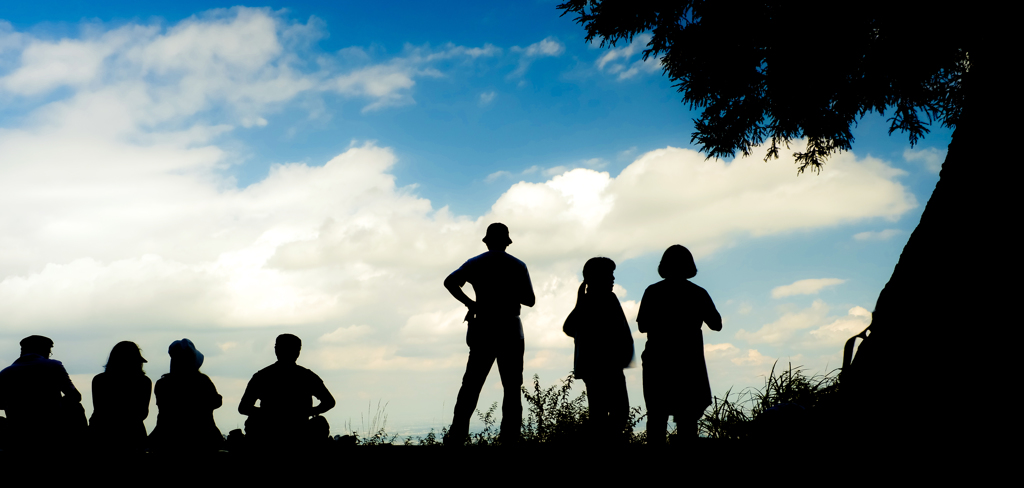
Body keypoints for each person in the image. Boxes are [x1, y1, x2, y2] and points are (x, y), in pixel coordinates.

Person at [444, 223, 535, 445]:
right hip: (511, 330)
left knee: (471, 385)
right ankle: (510, 436)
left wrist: (471, 304)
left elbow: (450, 282)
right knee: (512, 387)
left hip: (483, 328)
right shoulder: (518, 265)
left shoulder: (475, 263)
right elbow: (530, 300)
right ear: (507, 242)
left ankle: (457, 436)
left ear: (486, 241)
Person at [636, 245, 722, 445]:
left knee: (656, 416)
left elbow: (642, 326)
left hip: (657, 360)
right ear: (689, 266)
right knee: (687, 419)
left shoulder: (652, 291)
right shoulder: (698, 293)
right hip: (688, 362)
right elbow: (716, 324)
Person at [563, 257, 634, 444]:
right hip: (608, 365)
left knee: (600, 413)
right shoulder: (607, 299)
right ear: (597, 277)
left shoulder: (587, 300)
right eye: (609, 275)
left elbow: (568, 328)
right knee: (618, 411)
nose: (612, 279)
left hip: (593, 367)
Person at [238, 334, 336, 451]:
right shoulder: (306, 376)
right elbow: (329, 402)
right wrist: (306, 412)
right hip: (291, 430)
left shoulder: (262, 376)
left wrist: (270, 414)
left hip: (276, 431)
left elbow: (244, 407)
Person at [0, 335, 83, 451]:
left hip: (18, 433)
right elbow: (75, 396)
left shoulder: (5, 373)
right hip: (51, 430)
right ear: (45, 351)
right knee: (76, 407)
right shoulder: (54, 365)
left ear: (22, 351)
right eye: (49, 352)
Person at [149, 338, 223, 453]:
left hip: (166, 439)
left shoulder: (162, 383)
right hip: (204, 438)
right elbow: (215, 402)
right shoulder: (203, 381)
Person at [90, 341, 152, 453]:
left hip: (102, 437)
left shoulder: (99, 380)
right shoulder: (144, 382)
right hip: (133, 437)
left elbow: (100, 411)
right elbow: (142, 413)